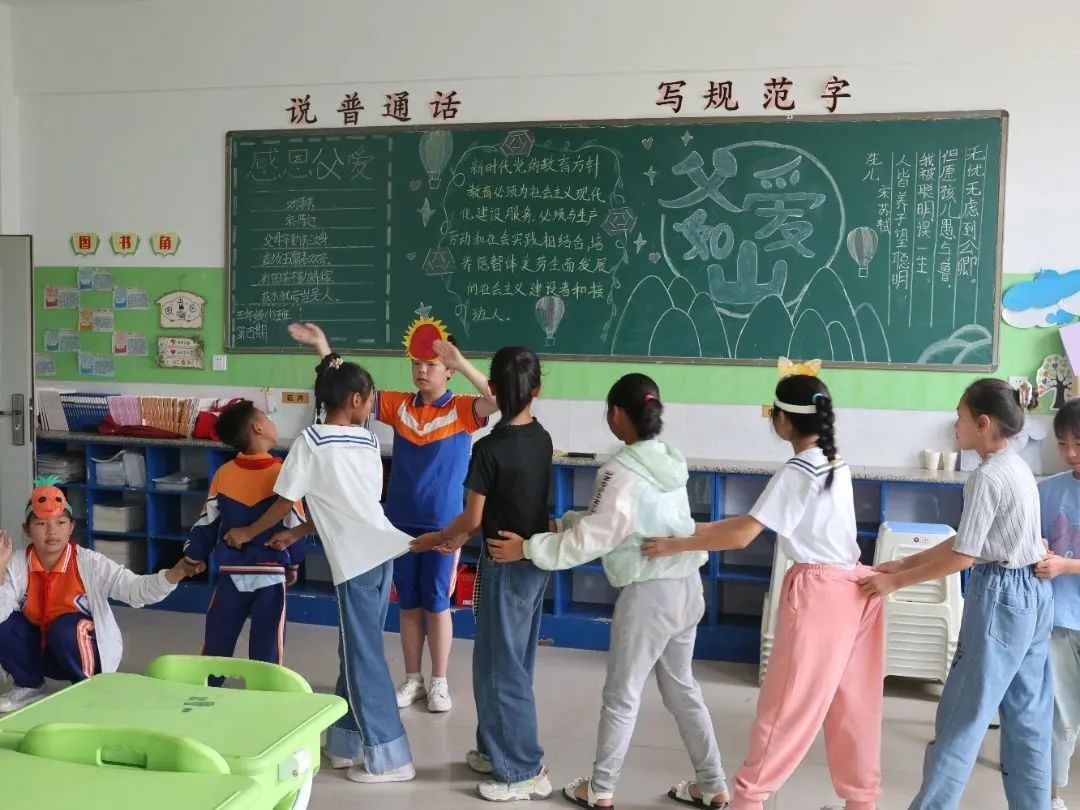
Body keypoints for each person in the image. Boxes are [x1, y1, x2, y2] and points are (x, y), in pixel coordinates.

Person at [488, 373, 730, 809]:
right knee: (682, 689)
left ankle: (600, 790)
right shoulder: (669, 461)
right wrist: (561, 524)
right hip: (686, 588)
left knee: (622, 695)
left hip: (649, 596)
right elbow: (620, 523)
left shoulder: (620, 471)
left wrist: (527, 548)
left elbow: (595, 537)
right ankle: (713, 785)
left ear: (616, 413)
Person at [644, 373, 883, 810]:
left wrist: (674, 545)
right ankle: (861, 801)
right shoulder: (834, 463)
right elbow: (750, 523)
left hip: (818, 595)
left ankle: (748, 801)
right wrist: (689, 530)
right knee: (851, 707)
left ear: (782, 420)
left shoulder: (798, 470)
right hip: (853, 589)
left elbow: (742, 537)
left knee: (785, 709)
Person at [287, 319, 497, 714]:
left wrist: (461, 361)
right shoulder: (399, 404)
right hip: (398, 523)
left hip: (444, 525)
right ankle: (413, 679)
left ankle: (439, 682)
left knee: (437, 603)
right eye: (416, 363)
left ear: (449, 371)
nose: (422, 370)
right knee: (409, 604)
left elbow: (498, 399)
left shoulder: (463, 410)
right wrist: (322, 345)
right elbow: (347, 389)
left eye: (432, 364)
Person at [225, 354, 415, 785]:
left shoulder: (310, 441)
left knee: (363, 656)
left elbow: (285, 501)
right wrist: (297, 533)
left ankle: (391, 756)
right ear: (355, 399)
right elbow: (347, 504)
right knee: (355, 649)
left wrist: (250, 530)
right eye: (371, 399)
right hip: (381, 551)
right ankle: (346, 743)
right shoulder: (368, 441)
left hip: (356, 560)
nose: (372, 406)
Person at [862, 378, 1051, 809]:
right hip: (1034, 597)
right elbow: (969, 540)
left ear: (983, 423)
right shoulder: (1017, 467)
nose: (955, 425)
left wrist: (894, 583)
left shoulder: (986, 476)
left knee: (962, 718)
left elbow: (965, 557)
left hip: (1000, 599)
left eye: (960, 417)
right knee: (1028, 721)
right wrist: (905, 563)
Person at [410, 346, 553, 801]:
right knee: (508, 663)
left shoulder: (489, 448)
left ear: (492, 388)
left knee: (500, 669)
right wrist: (456, 537)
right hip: (533, 563)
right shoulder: (542, 437)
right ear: (537, 389)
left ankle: (523, 770)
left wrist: (440, 537)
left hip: (504, 565)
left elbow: (472, 518)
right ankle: (496, 750)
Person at [0, 477, 203, 712]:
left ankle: (89, 687)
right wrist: (0, 569)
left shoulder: (90, 563)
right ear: (27, 530)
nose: (52, 531)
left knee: (65, 627)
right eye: (41, 524)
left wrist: (176, 573)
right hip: (42, 652)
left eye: (61, 522)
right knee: (5, 623)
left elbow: (135, 589)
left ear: (71, 527)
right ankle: (29, 685)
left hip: (80, 648)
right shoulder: (17, 563)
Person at [182, 400, 312, 672]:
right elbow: (295, 524)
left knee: (217, 642)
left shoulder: (224, 474)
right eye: (267, 417)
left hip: (231, 572)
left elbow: (207, 522)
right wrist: (293, 563)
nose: (271, 422)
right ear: (258, 427)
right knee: (268, 650)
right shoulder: (283, 474)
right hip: (271, 573)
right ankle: (264, 693)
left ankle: (208, 687)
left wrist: (193, 557)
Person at [1034, 398, 1080, 810]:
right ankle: (1051, 797)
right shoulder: (1048, 490)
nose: (1070, 453)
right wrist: (1041, 548)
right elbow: (1031, 540)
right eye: (1063, 443)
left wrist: (1066, 565)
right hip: (1060, 618)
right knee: (1060, 712)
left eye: (1078, 444)